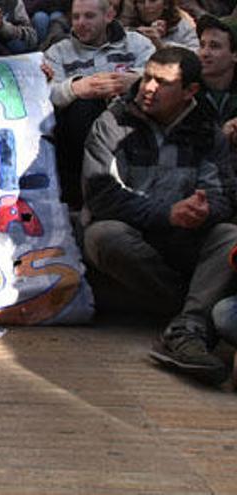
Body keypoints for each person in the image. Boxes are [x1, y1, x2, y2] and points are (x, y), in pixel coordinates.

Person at [81, 47, 237, 386]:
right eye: (147, 77)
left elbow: (224, 196)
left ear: (190, 91)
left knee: (230, 236)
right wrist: (168, 213)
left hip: (185, 241)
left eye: (162, 82)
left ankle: (185, 328)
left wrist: (203, 210)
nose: (148, 88)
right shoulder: (113, 123)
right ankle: (192, 320)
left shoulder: (207, 132)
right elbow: (102, 196)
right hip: (134, 239)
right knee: (102, 236)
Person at [43, 0, 155, 208]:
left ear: (109, 15)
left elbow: (158, 74)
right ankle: (81, 199)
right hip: (79, 132)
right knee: (80, 107)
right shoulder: (58, 52)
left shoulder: (137, 43)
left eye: (89, 16)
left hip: (131, 122)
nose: (81, 23)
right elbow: (45, 95)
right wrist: (75, 88)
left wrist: (134, 81)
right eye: (76, 17)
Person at [195, 15, 237, 144]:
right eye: (202, 45)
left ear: (235, 55)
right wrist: (220, 135)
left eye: (214, 46)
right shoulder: (185, 88)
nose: (204, 53)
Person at [133, 0, 199, 50]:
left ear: (166, 4)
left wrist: (162, 45)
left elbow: (196, 53)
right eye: (141, 1)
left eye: (153, 0)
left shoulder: (183, 27)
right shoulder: (130, 27)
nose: (146, 6)